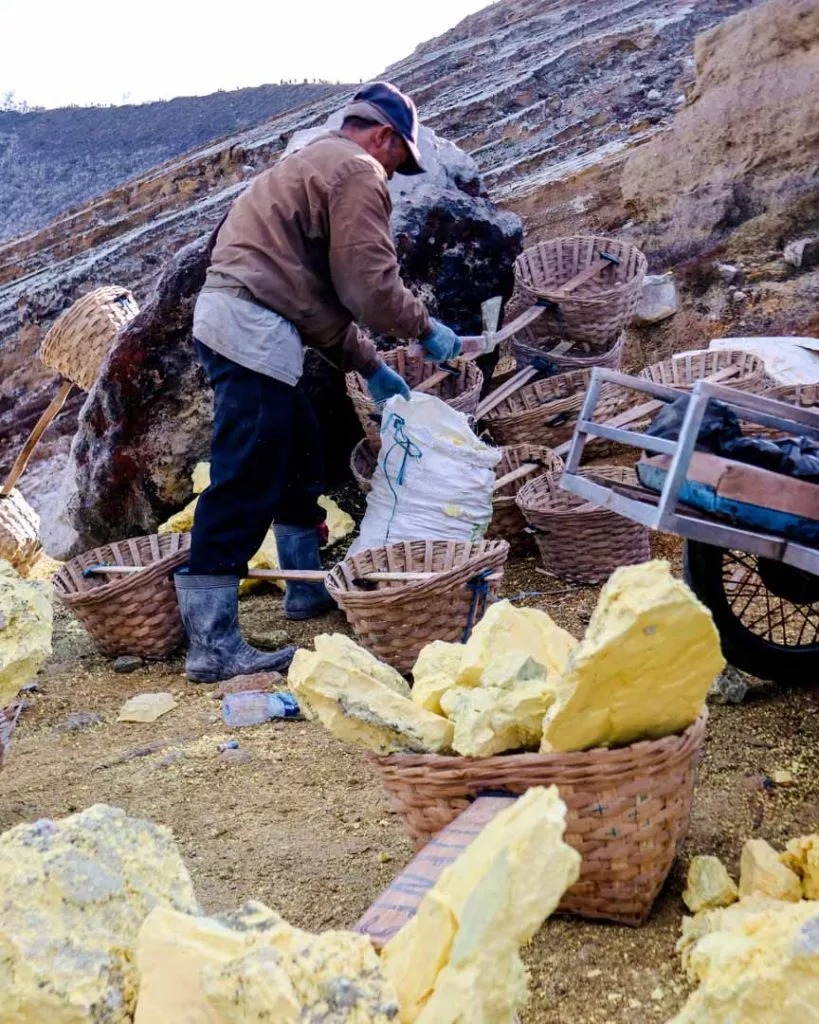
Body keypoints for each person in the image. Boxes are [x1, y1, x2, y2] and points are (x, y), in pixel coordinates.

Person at [174, 81, 462, 683]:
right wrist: (424, 327)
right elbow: (368, 289)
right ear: (384, 136)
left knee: (300, 447)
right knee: (247, 471)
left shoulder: (310, 162)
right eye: (399, 161)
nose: (394, 173)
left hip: (248, 322)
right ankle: (212, 643)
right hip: (251, 327)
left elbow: (314, 300)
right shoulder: (357, 169)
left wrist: (371, 366)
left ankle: (303, 592)